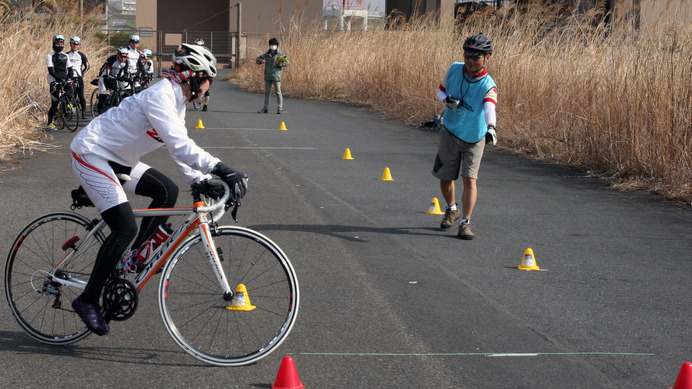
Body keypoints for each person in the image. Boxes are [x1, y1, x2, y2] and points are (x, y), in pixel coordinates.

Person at [70, 43, 248, 336]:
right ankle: (88, 298)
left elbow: (180, 147)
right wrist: (222, 169)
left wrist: (198, 180)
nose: (207, 89)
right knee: (124, 227)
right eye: (207, 81)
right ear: (194, 76)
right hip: (91, 154)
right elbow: (180, 145)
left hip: (119, 160)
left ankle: (134, 257)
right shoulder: (161, 95)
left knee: (167, 192)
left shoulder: (177, 101)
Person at [431, 33, 498, 240]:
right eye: (467, 55)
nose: (470, 60)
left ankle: (465, 223)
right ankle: (452, 208)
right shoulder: (454, 69)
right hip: (451, 131)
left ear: (487, 57)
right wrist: (446, 100)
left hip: (474, 137)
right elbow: (440, 92)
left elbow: (489, 107)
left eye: (476, 57)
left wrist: (491, 128)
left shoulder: (488, 84)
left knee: (470, 180)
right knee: (445, 177)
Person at [45, 34, 75, 130]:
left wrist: (70, 78)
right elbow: (51, 71)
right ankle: (50, 123)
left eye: (61, 44)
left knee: (70, 89)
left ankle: (69, 105)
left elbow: (70, 69)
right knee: (55, 102)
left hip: (64, 78)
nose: (60, 46)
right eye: (58, 44)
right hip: (54, 81)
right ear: (54, 44)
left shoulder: (65, 56)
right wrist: (59, 79)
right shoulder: (50, 56)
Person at [256, 37, 289, 114]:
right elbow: (257, 60)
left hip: (276, 76)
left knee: (278, 92)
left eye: (274, 45)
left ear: (277, 45)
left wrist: (279, 63)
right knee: (267, 92)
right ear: (269, 45)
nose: (273, 46)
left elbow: (287, 63)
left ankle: (279, 108)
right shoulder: (266, 55)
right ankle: (265, 108)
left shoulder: (280, 55)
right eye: (271, 45)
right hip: (268, 75)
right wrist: (261, 61)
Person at [96, 47, 130, 114]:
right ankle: (100, 113)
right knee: (103, 95)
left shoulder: (126, 62)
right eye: (121, 57)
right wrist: (115, 77)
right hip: (104, 77)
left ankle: (113, 105)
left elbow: (126, 72)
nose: (123, 59)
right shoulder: (112, 59)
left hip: (114, 77)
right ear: (118, 55)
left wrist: (127, 78)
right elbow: (107, 73)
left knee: (116, 91)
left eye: (125, 57)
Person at [66, 36, 90, 120]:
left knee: (81, 95)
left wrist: (82, 74)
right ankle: (68, 109)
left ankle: (83, 112)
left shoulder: (81, 55)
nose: (75, 45)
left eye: (77, 44)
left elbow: (87, 66)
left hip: (78, 77)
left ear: (79, 45)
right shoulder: (66, 55)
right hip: (69, 77)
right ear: (70, 44)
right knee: (69, 94)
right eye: (73, 44)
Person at [194, 39, 211, 111]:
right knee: (207, 91)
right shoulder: (206, 50)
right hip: (205, 71)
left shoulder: (194, 50)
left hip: (196, 70)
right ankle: (205, 106)